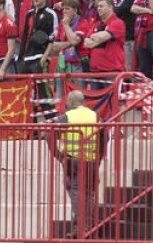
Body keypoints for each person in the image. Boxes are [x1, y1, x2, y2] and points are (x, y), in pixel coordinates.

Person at [48, 90, 99, 234]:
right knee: (89, 192)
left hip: (73, 160)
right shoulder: (94, 115)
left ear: (69, 103)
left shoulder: (67, 116)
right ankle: (90, 225)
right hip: (91, 160)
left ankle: (80, 227)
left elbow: (48, 134)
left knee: (76, 191)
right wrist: (98, 157)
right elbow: (103, 136)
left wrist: (57, 154)